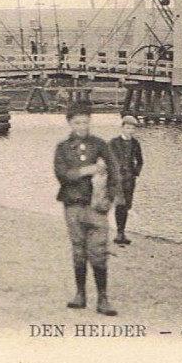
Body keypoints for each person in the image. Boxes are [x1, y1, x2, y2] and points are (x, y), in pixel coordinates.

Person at [53, 102, 122, 316]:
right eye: (77, 122)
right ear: (70, 123)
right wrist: (89, 170)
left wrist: (109, 200)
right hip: (73, 206)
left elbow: (115, 174)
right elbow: (63, 174)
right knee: (78, 250)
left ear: (90, 122)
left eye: (85, 121)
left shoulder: (100, 145)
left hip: (97, 207)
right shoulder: (63, 148)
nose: (81, 126)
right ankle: (80, 294)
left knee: (99, 251)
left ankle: (103, 298)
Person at [109, 115, 144, 245]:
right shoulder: (113, 143)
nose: (130, 130)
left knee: (127, 205)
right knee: (120, 205)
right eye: (127, 127)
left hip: (130, 179)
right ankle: (120, 233)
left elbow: (140, 161)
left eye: (132, 128)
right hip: (117, 179)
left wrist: (135, 172)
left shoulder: (135, 143)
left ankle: (122, 231)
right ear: (122, 128)